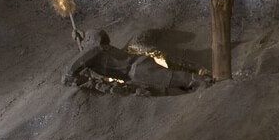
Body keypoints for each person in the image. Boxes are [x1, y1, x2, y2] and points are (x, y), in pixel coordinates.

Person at [63, 29, 209, 96]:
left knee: (170, 78)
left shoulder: (96, 50)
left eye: (86, 41)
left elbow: (69, 71)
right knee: (167, 81)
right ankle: (196, 82)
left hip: (137, 69)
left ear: (91, 42)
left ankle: (200, 81)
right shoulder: (103, 51)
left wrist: (76, 77)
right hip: (137, 68)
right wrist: (80, 37)